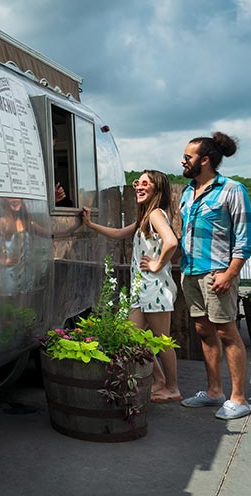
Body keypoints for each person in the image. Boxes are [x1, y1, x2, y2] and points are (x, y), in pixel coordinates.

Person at [82, 170, 181, 402]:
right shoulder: (145, 217)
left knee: (162, 340)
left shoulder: (156, 214)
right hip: (142, 289)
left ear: (157, 189)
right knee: (132, 336)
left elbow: (172, 242)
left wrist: (157, 264)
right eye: (138, 182)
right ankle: (159, 381)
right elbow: (117, 234)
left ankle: (173, 387)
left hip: (155, 287)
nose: (139, 186)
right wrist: (90, 224)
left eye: (145, 183)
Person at [178, 132, 251, 420]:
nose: (183, 161)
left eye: (188, 157)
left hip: (217, 273)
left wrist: (231, 273)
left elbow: (244, 240)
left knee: (227, 332)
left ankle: (239, 399)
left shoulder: (233, 190)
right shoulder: (187, 192)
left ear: (205, 160)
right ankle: (213, 393)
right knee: (203, 332)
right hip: (191, 273)